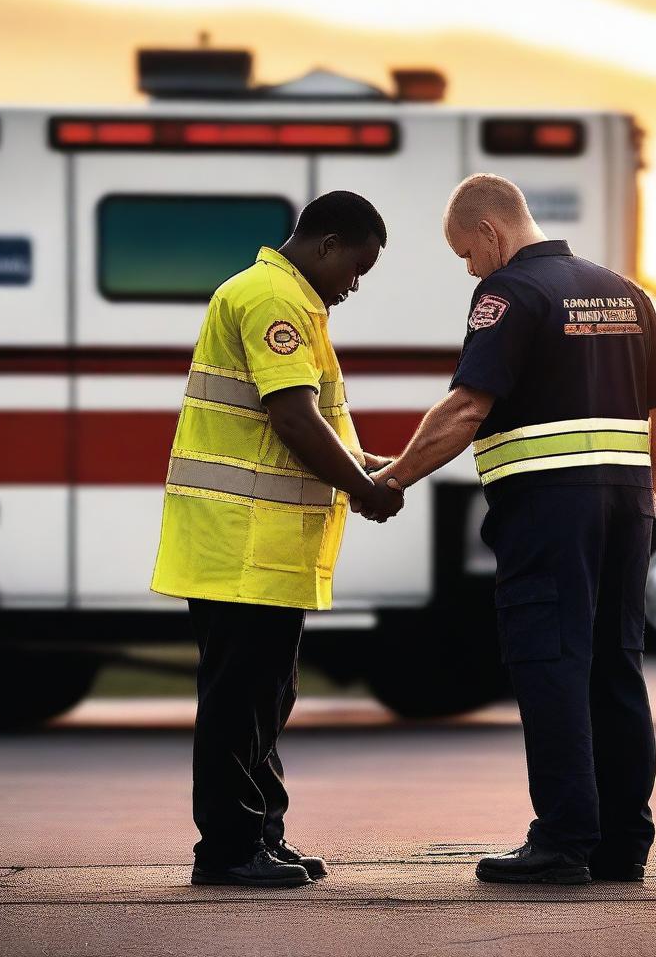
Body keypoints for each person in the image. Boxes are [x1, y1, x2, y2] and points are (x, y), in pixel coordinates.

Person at [369, 174, 656, 885]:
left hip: (549, 515)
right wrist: (650, 492)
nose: (468, 267)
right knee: (615, 666)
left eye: (465, 251)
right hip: (625, 512)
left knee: (550, 664)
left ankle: (563, 838)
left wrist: (390, 477)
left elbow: (465, 408)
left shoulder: (509, 294)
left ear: (490, 232)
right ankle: (621, 843)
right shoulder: (622, 291)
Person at [151, 191, 404, 888]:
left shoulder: (292, 300)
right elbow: (292, 419)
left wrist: (373, 467)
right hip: (242, 547)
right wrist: (362, 487)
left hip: (264, 551)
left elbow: (320, 425)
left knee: (265, 699)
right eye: (356, 266)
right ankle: (229, 851)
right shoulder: (272, 299)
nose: (355, 282)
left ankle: (262, 834)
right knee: (240, 703)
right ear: (326, 244)